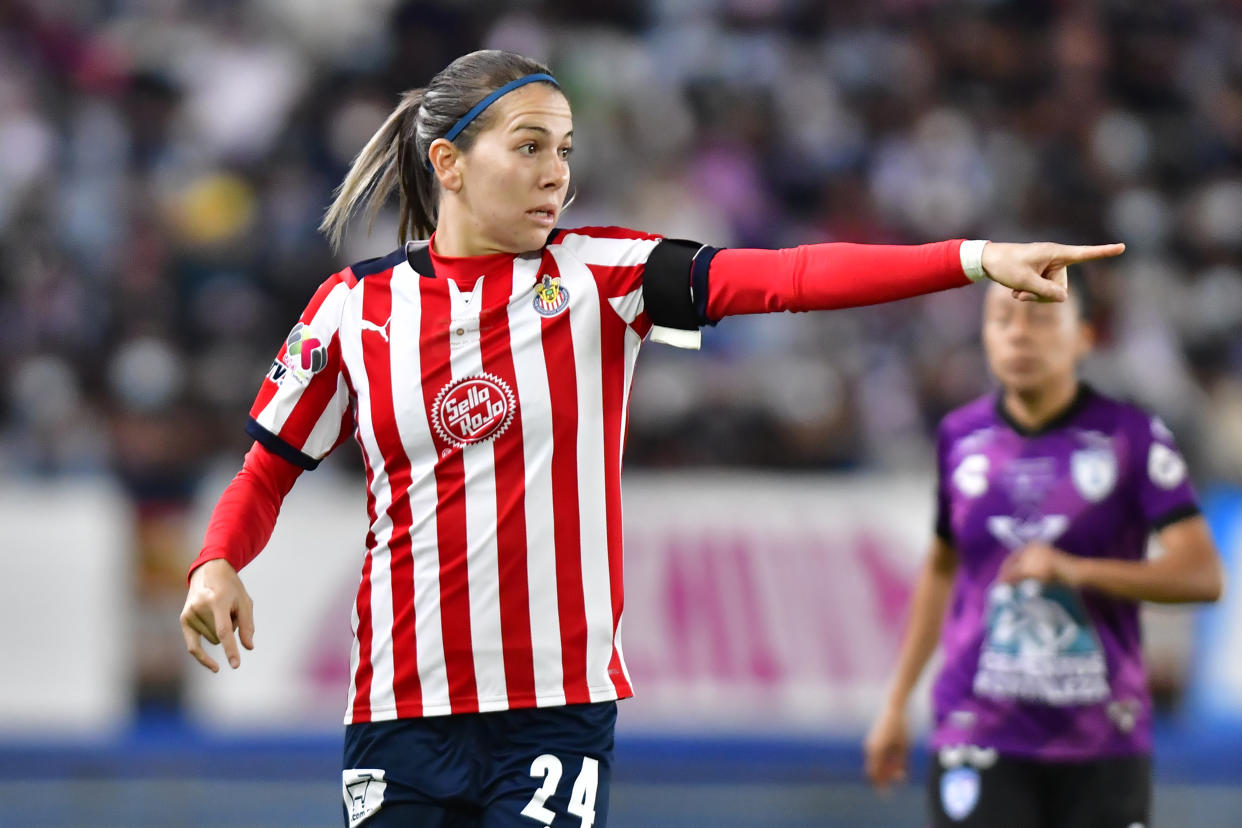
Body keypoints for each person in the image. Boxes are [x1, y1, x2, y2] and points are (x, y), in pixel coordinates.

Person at [179, 49, 1126, 828]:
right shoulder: (354, 310)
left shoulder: (603, 279)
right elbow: (267, 469)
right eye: (530, 146)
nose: (558, 172)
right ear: (449, 164)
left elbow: (785, 277)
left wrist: (970, 259)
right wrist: (217, 562)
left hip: (552, 709)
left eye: (566, 148)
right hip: (399, 706)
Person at [863, 278, 1225, 828]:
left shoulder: (1133, 440)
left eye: (1040, 320)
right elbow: (942, 568)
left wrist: (1076, 569)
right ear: (984, 336)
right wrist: (896, 705)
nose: (1019, 336)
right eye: (1003, 320)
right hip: (980, 726)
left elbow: (1202, 575)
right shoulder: (960, 438)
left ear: (1082, 339)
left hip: (1101, 736)